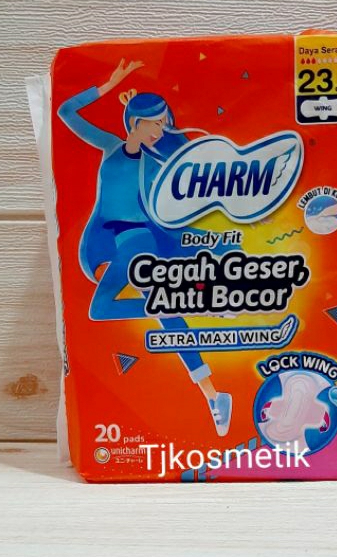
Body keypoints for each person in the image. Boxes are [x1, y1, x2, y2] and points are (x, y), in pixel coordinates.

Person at [58, 59, 232, 436]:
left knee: (181, 285)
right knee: (141, 304)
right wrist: (109, 85)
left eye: (163, 123)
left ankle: (213, 395)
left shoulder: (160, 160)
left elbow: (189, 192)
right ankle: (210, 378)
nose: (159, 130)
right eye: (152, 123)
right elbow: (65, 112)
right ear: (134, 123)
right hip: (106, 238)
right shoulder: (111, 147)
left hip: (144, 239)